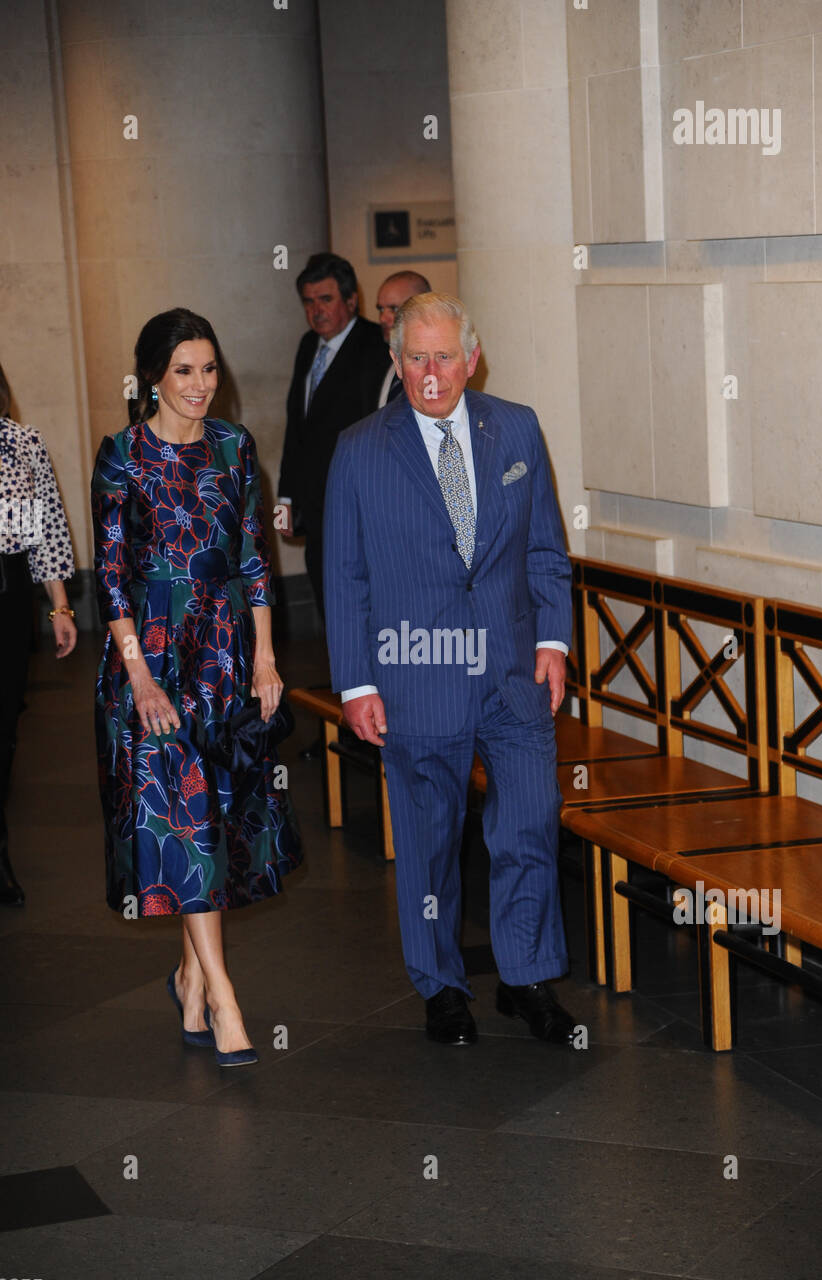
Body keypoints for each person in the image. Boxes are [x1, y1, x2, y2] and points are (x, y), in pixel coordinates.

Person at [324, 292, 576, 1047]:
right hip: (415, 675)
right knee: (431, 843)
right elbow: (344, 577)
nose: (430, 374)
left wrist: (553, 643)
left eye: (444, 356)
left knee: (528, 824)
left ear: (472, 358)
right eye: (415, 357)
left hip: (512, 676)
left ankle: (527, 977)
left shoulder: (517, 429)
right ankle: (441, 988)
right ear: (396, 361)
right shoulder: (360, 449)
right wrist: (358, 683)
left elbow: (545, 551)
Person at [91, 307, 302, 1067]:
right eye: (184, 370)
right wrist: (139, 678)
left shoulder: (234, 448)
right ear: (153, 374)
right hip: (148, 661)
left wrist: (266, 657)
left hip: (222, 659)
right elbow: (110, 580)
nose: (200, 385)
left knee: (208, 824)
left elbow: (252, 560)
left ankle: (187, 972)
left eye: (209, 368)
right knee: (183, 821)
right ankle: (223, 995)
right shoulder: (121, 457)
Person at [274, 253, 390, 617]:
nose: (316, 310)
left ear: (351, 299)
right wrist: (286, 500)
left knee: (362, 608)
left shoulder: (376, 347)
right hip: (314, 506)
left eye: (326, 299)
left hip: (357, 507)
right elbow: (297, 428)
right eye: (308, 302)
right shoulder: (308, 345)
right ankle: (340, 673)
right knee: (328, 603)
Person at [0, 362, 77, 906]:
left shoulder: (21, 444)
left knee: (3, 727)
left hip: (7, 598)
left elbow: (45, 529)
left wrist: (60, 608)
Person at [374, 270, 431, 406]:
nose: (383, 318)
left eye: (393, 309)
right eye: (381, 309)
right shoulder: (380, 359)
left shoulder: (437, 367)